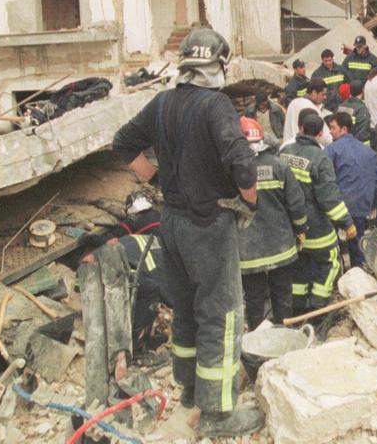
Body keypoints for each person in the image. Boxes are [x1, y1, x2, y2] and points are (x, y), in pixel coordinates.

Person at [111, 28, 262, 435]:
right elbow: (244, 167)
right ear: (216, 66)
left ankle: (191, 392)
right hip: (208, 224)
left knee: (188, 311)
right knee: (222, 314)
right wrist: (249, 201)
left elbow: (123, 143)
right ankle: (219, 414)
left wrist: (157, 177)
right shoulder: (215, 105)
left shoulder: (161, 103)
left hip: (171, 222)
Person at [280, 111, 355, 311]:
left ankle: (297, 309)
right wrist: (346, 223)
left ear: (300, 128)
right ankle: (317, 309)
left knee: (298, 270)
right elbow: (329, 198)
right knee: (330, 265)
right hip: (316, 229)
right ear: (320, 132)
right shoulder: (320, 158)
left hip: (292, 229)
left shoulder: (284, 153)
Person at [237, 117, 307, 330]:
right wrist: (300, 230)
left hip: (247, 251)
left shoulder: (230, 171)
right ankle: (284, 332)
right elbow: (296, 203)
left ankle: (258, 338)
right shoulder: (278, 166)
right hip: (280, 245)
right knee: (282, 292)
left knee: (254, 296)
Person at [325, 111, 377, 266]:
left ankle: (339, 277)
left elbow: (324, 180)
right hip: (360, 206)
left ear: (344, 129)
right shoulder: (368, 151)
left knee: (333, 246)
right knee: (357, 245)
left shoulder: (331, 150)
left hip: (338, 208)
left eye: (333, 128)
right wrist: (373, 204)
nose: (330, 131)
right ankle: (359, 277)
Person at [283, 79, 332, 147]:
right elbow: (325, 139)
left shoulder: (293, 103)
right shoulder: (311, 108)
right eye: (323, 94)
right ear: (314, 92)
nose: (325, 97)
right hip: (305, 150)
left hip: (287, 148)